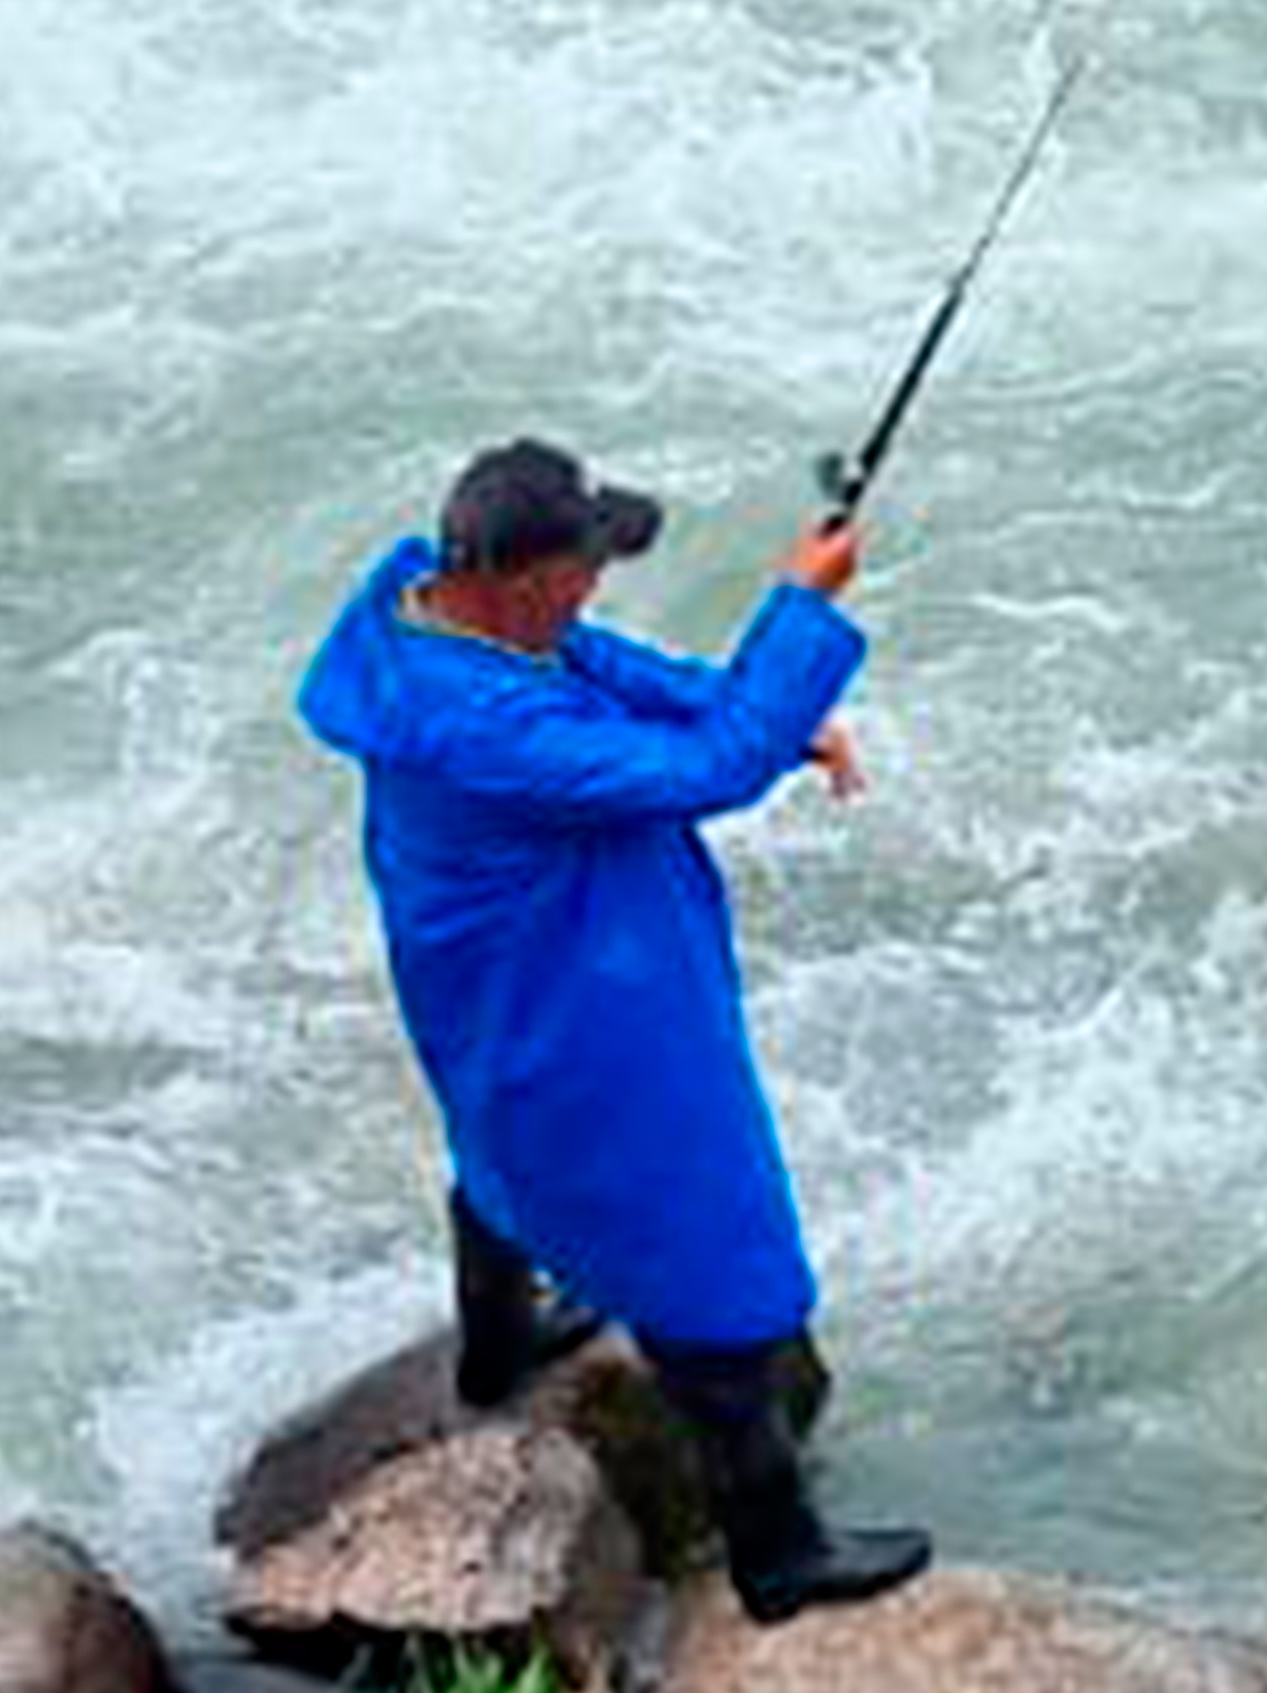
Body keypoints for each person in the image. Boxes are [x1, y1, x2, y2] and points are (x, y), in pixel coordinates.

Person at [297, 437, 930, 1622]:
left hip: (479, 966)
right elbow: (712, 766)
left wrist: (768, 712)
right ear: (521, 575)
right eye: (581, 566)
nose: (594, 588)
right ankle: (779, 1554)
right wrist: (798, 612)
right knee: (703, 1240)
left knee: (498, 1144)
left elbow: (606, 670)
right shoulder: (487, 731)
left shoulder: (420, 607)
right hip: (570, 985)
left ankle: (499, 1349)